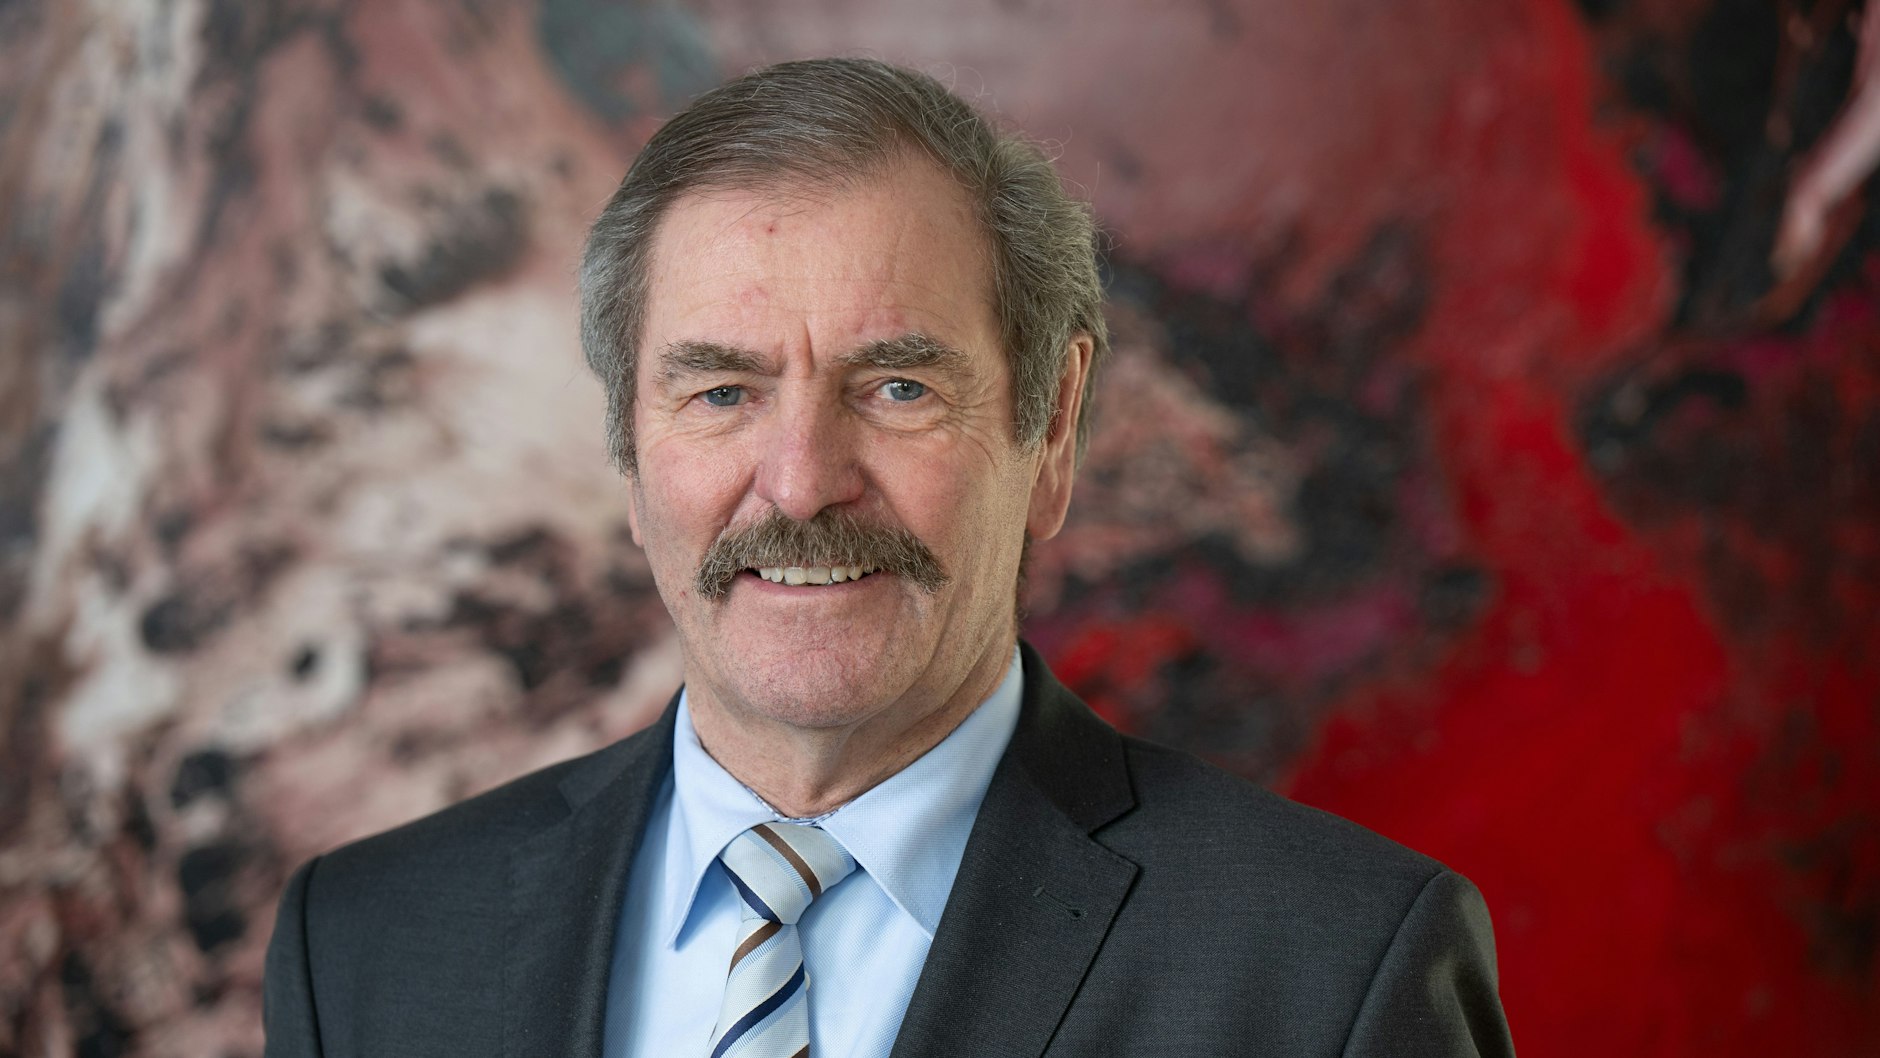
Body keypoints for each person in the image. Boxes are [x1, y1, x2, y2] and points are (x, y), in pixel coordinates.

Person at [263, 57, 1515, 1058]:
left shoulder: (1329, 973)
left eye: (898, 386)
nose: (801, 480)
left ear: (1051, 428)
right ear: (628, 450)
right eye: (721, 392)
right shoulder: (367, 948)